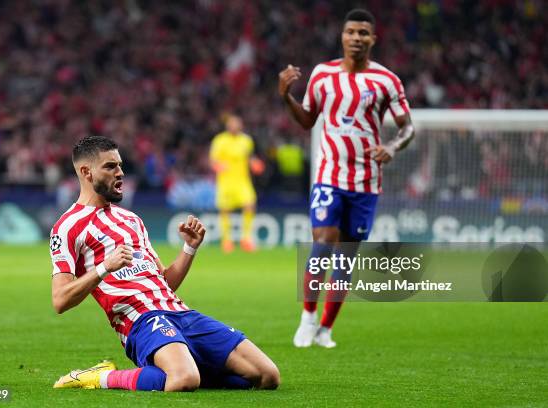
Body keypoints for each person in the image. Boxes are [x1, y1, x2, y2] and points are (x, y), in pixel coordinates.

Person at [50, 136, 279, 392]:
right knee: (184, 380)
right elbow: (60, 299)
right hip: (141, 321)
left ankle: (181, 367)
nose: (120, 173)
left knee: (267, 376)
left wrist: (189, 248)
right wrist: (104, 268)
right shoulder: (68, 227)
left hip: (182, 314)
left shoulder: (132, 220)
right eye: (110, 166)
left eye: (120, 165)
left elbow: (165, 282)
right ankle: (101, 377)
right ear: (86, 172)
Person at [278, 9, 415, 348]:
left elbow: (407, 126)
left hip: (366, 182)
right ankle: (308, 317)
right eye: (351, 32)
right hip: (329, 175)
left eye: (363, 33)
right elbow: (308, 120)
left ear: (373, 39)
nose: (357, 38)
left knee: (345, 256)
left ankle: (326, 328)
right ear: (342, 36)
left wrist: (394, 148)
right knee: (323, 241)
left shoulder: (386, 81)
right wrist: (285, 96)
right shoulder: (323, 75)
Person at [209, 114, 264, 253]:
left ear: (241, 125)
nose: (234, 126)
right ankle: (226, 241)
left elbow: (249, 157)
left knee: (250, 205)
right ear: (228, 126)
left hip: (242, 181)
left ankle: (246, 238)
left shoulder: (246, 140)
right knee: (225, 210)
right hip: (226, 181)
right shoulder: (220, 140)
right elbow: (212, 161)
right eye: (231, 124)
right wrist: (218, 167)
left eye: (236, 124)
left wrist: (254, 163)